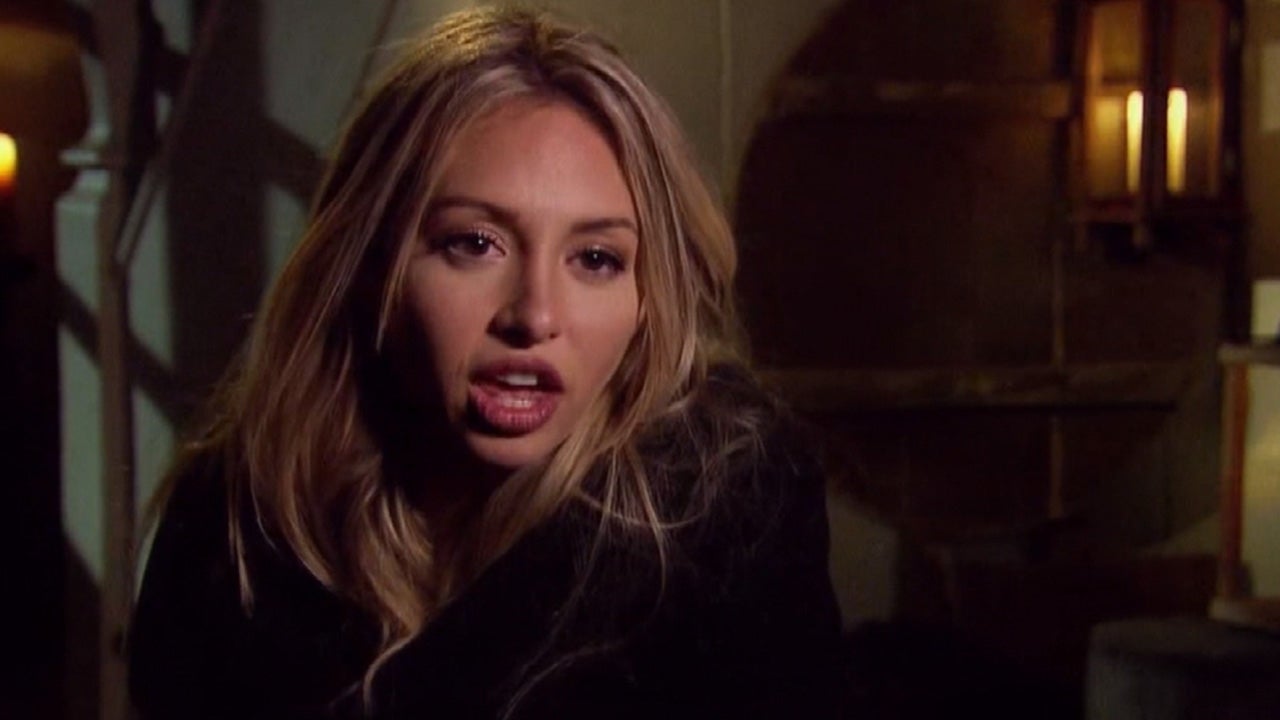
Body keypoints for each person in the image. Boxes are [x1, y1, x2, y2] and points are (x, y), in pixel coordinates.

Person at [128, 6, 840, 719]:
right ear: (369, 263)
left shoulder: (726, 512)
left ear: (648, 300)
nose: (534, 315)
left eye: (596, 259)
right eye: (474, 244)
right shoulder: (233, 522)